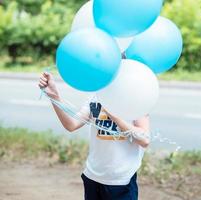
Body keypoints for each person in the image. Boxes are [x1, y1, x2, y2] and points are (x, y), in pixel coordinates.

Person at [38, 71, 150, 200]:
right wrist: (54, 96)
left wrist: (115, 116)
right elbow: (72, 124)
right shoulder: (96, 95)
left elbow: (144, 140)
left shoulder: (135, 98)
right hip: (93, 177)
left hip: (120, 181)